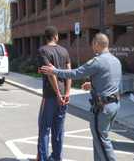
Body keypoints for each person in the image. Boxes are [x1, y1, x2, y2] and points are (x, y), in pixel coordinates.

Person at [41, 33, 122, 161]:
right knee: (99, 140)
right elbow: (113, 82)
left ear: (96, 44)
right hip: (114, 105)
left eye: (92, 44)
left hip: (102, 108)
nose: (92, 47)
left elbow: (76, 73)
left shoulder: (98, 61)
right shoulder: (115, 61)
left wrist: (55, 71)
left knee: (102, 141)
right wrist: (93, 84)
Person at [36, 26, 71, 161]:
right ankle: (57, 157)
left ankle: (44, 158)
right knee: (59, 128)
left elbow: (51, 74)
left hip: (51, 95)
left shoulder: (43, 51)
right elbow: (69, 72)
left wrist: (57, 93)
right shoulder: (64, 51)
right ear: (56, 36)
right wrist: (67, 93)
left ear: (46, 37)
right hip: (64, 96)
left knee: (45, 129)